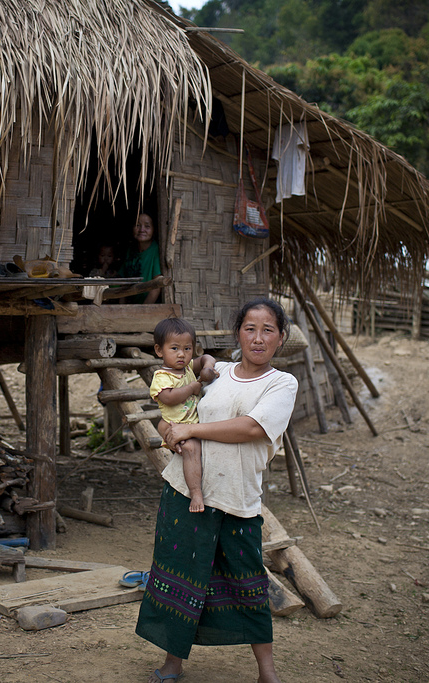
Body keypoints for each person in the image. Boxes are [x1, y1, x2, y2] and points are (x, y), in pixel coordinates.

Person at [135, 298, 299, 683]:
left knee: (248, 581)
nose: (257, 338)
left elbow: (252, 429)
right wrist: (169, 432)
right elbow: (172, 415)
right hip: (185, 491)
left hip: (237, 498)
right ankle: (172, 664)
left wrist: (191, 431)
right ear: (237, 333)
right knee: (182, 574)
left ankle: (267, 673)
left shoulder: (281, 382)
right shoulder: (215, 371)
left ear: (281, 337)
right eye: (249, 329)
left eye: (268, 330)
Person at [150, 318, 217, 513]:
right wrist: (191, 387)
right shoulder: (161, 377)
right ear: (159, 350)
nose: (182, 354)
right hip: (177, 426)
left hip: (193, 423)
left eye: (187, 349)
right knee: (191, 451)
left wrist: (208, 367)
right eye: (174, 349)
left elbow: (206, 358)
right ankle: (196, 493)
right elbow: (169, 398)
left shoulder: (187, 368)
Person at [120, 213, 162, 304]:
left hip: (149, 306)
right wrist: (122, 307)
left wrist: (142, 310)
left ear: (154, 229)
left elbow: (157, 286)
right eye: (137, 225)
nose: (141, 230)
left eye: (147, 226)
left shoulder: (156, 251)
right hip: (131, 305)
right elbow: (123, 283)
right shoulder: (131, 250)